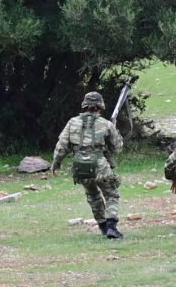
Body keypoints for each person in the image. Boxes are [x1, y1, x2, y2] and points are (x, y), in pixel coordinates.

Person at [51, 90, 124, 240]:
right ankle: (111, 227)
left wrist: (55, 163)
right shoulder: (106, 124)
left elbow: (62, 146)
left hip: (80, 167)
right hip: (100, 166)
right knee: (111, 195)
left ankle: (103, 227)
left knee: (93, 196)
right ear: (100, 106)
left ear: (85, 105)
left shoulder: (72, 122)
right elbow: (117, 147)